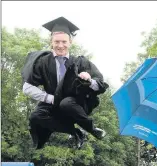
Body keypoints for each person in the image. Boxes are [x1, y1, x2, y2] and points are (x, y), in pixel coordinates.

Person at [21, 16, 109, 149]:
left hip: (76, 105)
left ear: (70, 42)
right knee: (35, 117)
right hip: (54, 105)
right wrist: (49, 98)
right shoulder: (43, 62)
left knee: (66, 103)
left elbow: (100, 86)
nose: (60, 45)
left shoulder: (80, 62)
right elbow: (26, 87)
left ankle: (92, 128)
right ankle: (75, 132)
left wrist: (89, 80)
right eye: (57, 41)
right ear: (51, 41)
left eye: (64, 41)